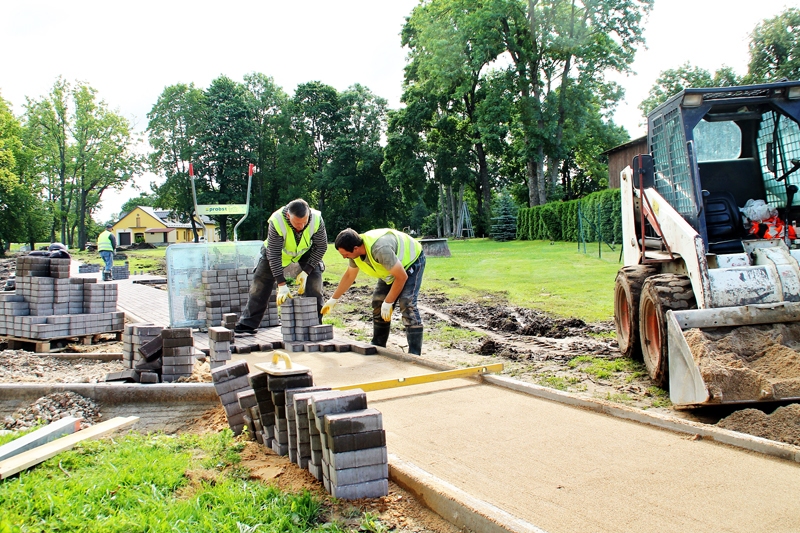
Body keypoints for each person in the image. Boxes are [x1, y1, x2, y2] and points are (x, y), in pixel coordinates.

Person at [323, 228, 425, 355]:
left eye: (346, 254)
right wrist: (334, 299)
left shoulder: (380, 249)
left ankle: (415, 353)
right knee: (378, 302)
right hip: (391, 269)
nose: (344, 257)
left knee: (406, 303)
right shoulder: (355, 253)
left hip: (411, 262)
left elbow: (401, 277)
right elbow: (350, 275)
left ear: (355, 248)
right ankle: (378, 343)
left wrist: (389, 302)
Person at [235, 198, 327, 333]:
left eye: (304, 222)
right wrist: (282, 284)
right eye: (297, 223)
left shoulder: (317, 218)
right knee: (259, 284)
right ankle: (248, 323)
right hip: (277, 253)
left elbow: (321, 247)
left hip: (306, 251)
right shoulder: (277, 221)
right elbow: (274, 254)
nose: (301, 227)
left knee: (315, 284)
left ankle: (314, 323)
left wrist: (306, 271)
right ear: (289, 216)